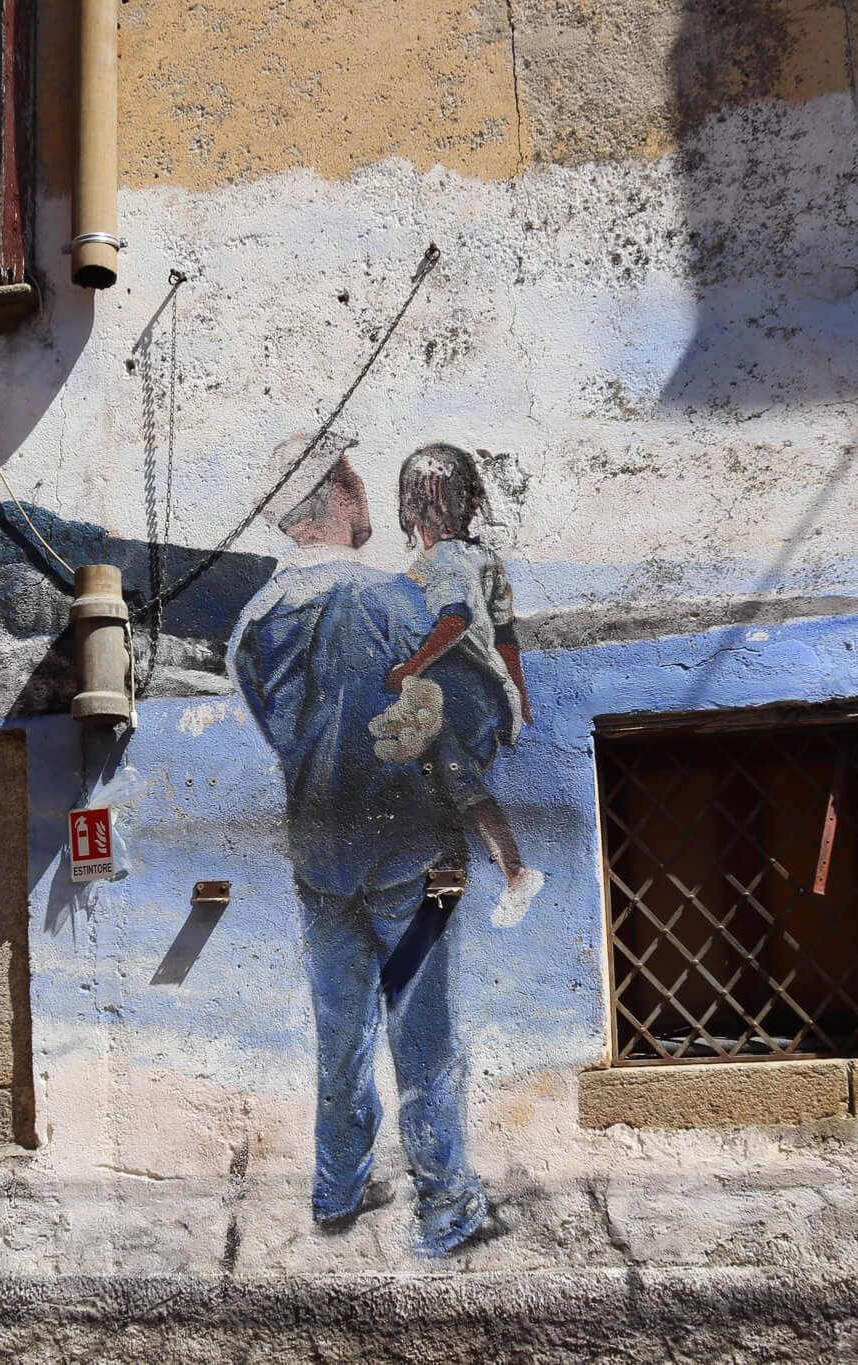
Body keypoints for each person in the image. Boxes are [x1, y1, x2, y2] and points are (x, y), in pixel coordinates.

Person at [231, 430, 516, 1257]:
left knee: (339, 1031)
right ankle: (446, 1203)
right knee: (422, 1034)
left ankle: (338, 1188)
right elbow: (466, 710)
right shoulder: (392, 600)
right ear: (342, 492)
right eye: (354, 477)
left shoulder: (255, 619)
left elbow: (277, 729)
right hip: (408, 856)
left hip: (318, 857)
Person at [383, 442, 544, 927]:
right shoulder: (485, 559)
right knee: (444, 784)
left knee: (453, 780)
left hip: (456, 695)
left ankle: (514, 872)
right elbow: (507, 636)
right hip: (487, 696)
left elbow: (455, 620)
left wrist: (408, 667)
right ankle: (450, 874)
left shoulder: (439, 564)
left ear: (412, 510)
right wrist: (519, 697)